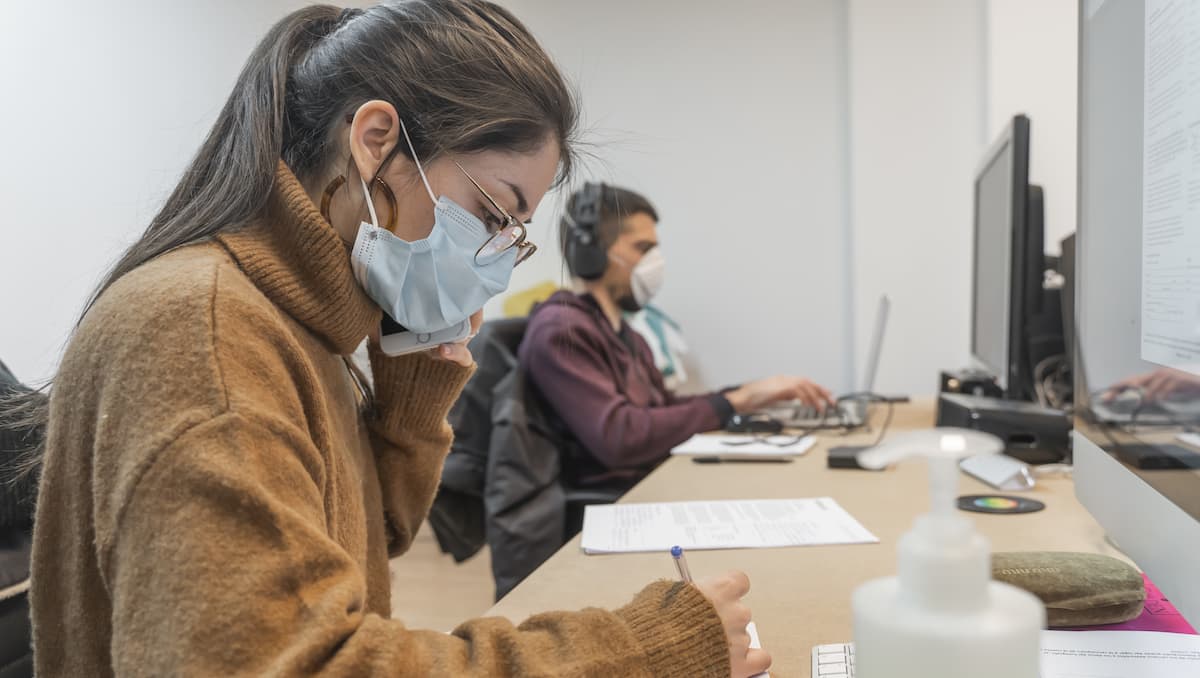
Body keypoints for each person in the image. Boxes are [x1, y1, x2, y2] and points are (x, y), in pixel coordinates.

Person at [3, 3, 770, 676]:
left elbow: (362, 549)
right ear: (377, 142)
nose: (495, 262)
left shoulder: (301, 322)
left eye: (514, 236)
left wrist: (410, 386)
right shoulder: (202, 329)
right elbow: (302, 664)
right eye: (494, 214)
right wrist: (642, 652)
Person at [520, 184, 836, 491]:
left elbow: (663, 411)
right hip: (615, 505)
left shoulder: (623, 332)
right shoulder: (562, 331)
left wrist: (748, 395)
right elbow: (620, 438)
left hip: (653, 482)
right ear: (591, 252)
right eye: (642, 249)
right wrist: (736, 401)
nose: (654, 262)